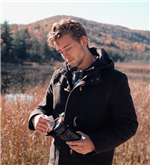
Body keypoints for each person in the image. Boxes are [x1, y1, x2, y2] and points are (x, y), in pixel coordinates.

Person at [28, 19, 138, 165]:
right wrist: (36, 118)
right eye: (61, 52)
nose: (65, 56)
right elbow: (43, 107)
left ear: (83, 41)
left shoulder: (115, 80)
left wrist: (94, 143)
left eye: (68, 48)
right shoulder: (58, 76)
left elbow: (128, 125)